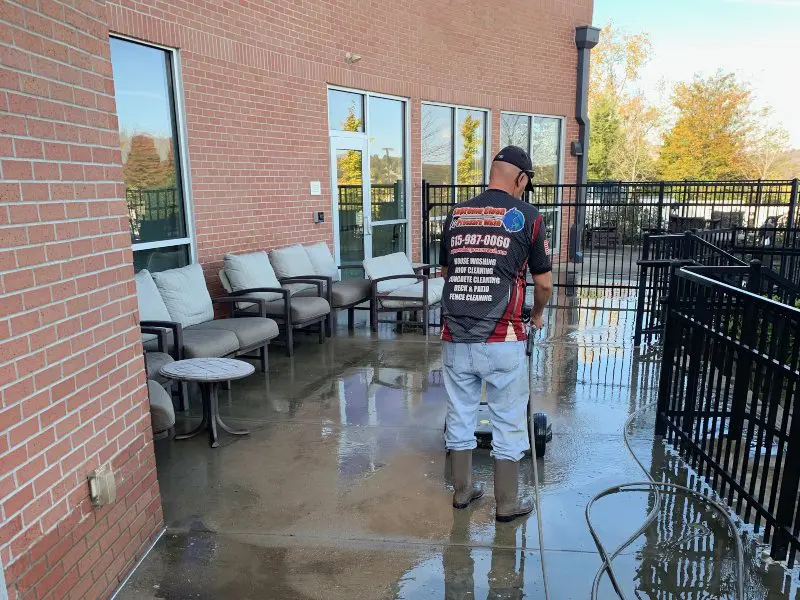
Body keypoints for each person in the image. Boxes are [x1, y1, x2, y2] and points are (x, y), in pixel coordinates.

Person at [439, 146, 553, 522]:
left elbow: (447, 273)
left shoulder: (455, 214)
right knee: (507, 419)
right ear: (521, 178)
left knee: (460, 413)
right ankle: (506, 505)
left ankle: (462, 492)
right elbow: (545, 285)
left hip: (456, 335)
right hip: (503, 338)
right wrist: (536, 315)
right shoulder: (529, 216)